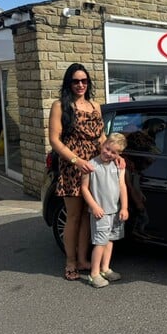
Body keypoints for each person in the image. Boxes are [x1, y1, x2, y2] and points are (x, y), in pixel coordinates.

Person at [48, 63, 111, 281]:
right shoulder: (60, 106)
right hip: (73, 166)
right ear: (69, 83)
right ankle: (71, 262)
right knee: (73, 216)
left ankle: (84, 259)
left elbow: (101, 137)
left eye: (84, 80)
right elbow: (54, 140)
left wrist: (115, 155)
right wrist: (76, 160)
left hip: (94, 165)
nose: (80, 84)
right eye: (76, 81)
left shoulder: (95, 105)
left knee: (87, 215)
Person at [81, 132, 129, 288]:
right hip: (100, 212)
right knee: (100, 243)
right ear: (103, 144)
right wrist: (94, 206)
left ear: (119, 154)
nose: (108, 153)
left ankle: (105, 268)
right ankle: (94, 274)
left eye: (114, 152)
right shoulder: (90, 165)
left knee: (110, 241)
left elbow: (122, 187)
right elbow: (84, 189)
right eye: (107, 149)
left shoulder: (118, 166)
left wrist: (124, 207)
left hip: (114, 212)